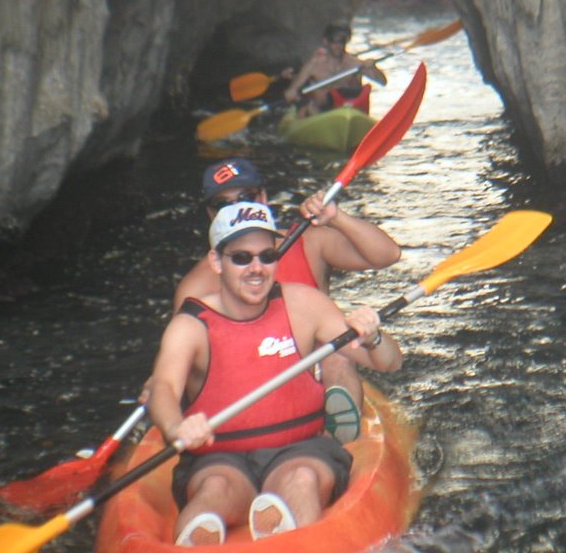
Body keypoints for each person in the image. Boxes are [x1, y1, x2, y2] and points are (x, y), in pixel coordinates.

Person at [148, 201, 402, 546]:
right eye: (242, 257)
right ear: (216, 262)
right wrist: (177, 426)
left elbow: (389, 362)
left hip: (301, 449)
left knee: (300, 480)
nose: (257, 268)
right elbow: (163, 387)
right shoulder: (190, 325)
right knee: (213, 492)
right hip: (219, 458)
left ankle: (286, 529)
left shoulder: (304, 305)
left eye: (267, 256)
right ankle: (202, 536)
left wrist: (373, 337)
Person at [171, 157, 401, 440]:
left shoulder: (310, 242)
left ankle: (337, 445)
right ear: (211, 214)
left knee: (336, 355)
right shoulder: (195, 286)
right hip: (245, 379)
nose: (237, 207)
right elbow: (189, 365)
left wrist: (336, 218)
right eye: (222, 204)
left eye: (246, 197)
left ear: (263, 197)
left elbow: (387, 255)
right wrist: (166, 391)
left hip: (313, 365)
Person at [283, 22, 387, 118]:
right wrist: (295, 97)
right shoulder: (313, 65)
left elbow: (383, 82)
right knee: (307, 107)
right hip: (322, 113)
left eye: (342, 41)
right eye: (334, 41)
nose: (338, 46)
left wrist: (373, 68)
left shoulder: (355, 64)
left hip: (351, 111)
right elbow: (290, 93)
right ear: (326, 41)